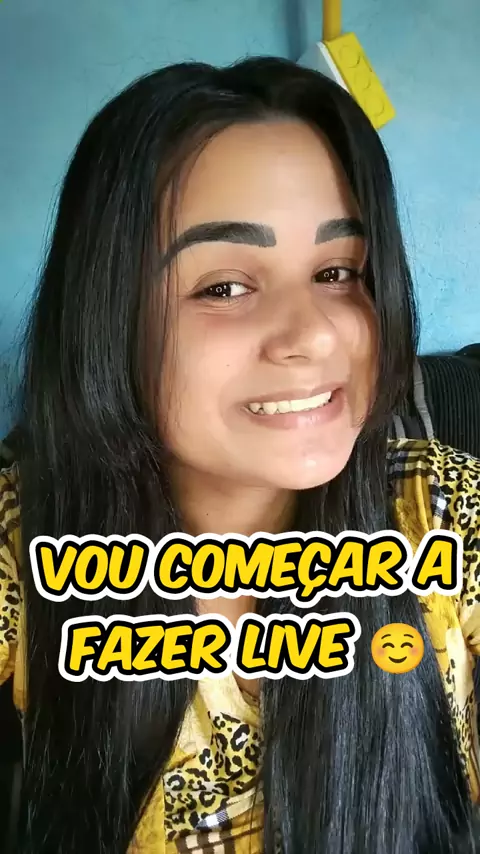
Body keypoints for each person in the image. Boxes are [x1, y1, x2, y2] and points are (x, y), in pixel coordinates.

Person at [0, 56, 479, 854]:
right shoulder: (25, 539)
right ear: (109, 318)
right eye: (225, 287)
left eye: (338, 272)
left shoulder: (442, 513)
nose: (313, 335)